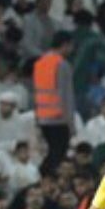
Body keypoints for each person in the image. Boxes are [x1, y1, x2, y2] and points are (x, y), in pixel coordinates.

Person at [33, 31, 76, 174]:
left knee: (51, 152)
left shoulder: (40, 63)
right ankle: (45, 178)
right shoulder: (62, 64)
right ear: (65, 45)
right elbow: (66, 95)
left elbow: (37, 92)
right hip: (59, 118)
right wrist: (71, 123)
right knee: (58, 155)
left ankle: (45, 177)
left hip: (43, 117)